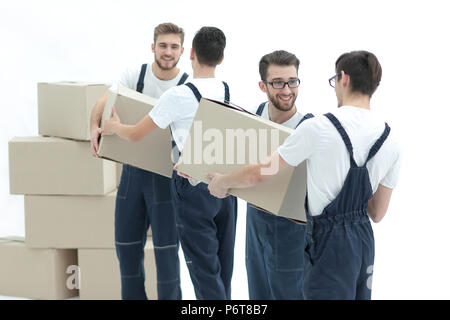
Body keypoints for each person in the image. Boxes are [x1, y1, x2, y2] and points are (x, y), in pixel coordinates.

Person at [207, 50, 401, 300]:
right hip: (362, 242)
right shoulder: (392, 141)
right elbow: (376, 213)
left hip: (322, 239)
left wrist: (224, 181)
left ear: (343, 78)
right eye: (278, 82)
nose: (286, 89)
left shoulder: (318, 128)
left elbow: (262, 172)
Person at [102, 26, 237, 300]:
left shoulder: (178, 95)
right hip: (224, 185)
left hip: (193, 187)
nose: (168, 51)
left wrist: (115, 128)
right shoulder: (224, 88)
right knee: (222, 269)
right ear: (221, 59)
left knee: (203, 272)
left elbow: (137, 134)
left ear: (191, 53)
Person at [90, 22, 188, 300]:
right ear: (153, 47)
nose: (168, 52)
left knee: (167, 257)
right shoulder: (138, 75)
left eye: (173, 46)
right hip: (132, 177)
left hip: (167, 179)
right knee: (126, 249)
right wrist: (93, 128)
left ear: (182, 50)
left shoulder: (187, 85)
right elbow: (105, 99)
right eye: (163, 45)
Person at [246, 50, 313, 300]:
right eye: (277, 83)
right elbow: (227, 162)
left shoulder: (309, 128)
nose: (287, 90)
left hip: (292, 229)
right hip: (255, 221)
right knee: (258, 294)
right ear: (263, 85)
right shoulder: (250, 118)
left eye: (292, 81)